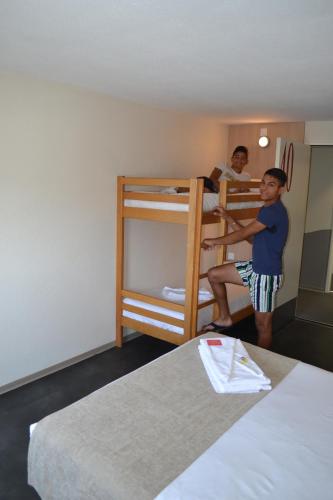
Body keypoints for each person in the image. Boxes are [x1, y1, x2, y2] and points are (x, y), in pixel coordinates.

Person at [201, 168, 289, 349]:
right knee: (214, 275)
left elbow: (243, 234)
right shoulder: (265, 210)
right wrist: (228, 217)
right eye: (263, 183)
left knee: (263, 326)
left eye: (271, 185)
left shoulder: (273, 211)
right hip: (254, 268)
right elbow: (251, 238)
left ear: (280, 190)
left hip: (266, 276)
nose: (264, 188)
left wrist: (214, 241)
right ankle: (225, 318)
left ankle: (263, 366)